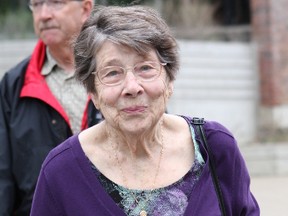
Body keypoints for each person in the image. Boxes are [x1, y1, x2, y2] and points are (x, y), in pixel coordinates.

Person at [30, 5, 260, 216]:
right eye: (112, 73)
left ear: (169, 81)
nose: (132, 87)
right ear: (94, 94)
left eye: (145, 68)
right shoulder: (61, 171)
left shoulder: (216, 147)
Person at [0, 0, 103, 215]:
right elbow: (3, 178)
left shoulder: (120, 76)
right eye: (36, 5)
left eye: (56, 3)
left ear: (85, 8)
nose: (44, 15)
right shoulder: (13, 85)